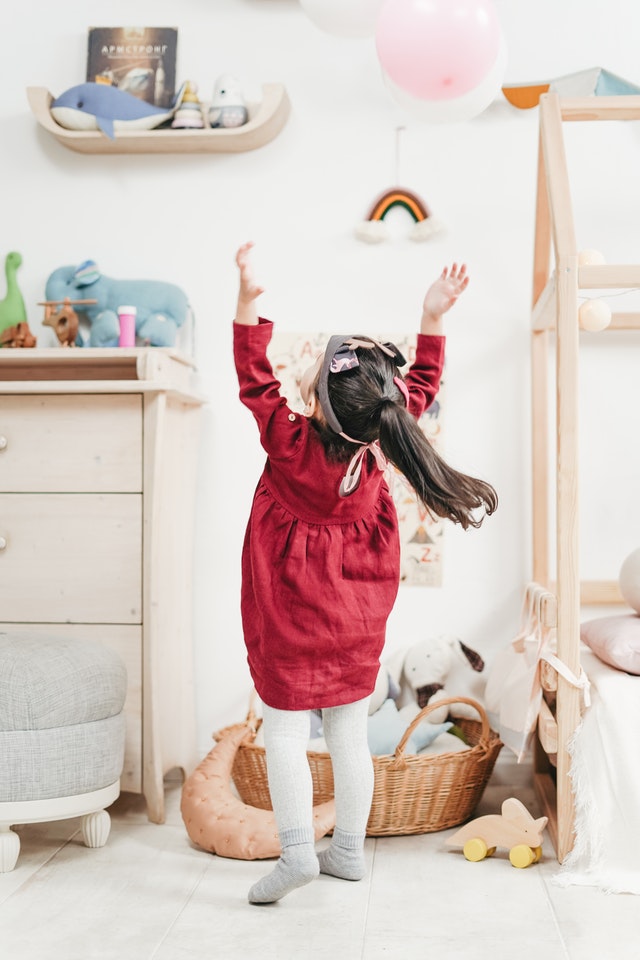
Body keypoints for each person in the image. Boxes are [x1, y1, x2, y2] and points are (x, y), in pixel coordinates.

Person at [233, 241, 497, 904]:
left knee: (289, 733)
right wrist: (432, 317)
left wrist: (247, 301)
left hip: (290, 619)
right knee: (349, 734)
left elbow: (251, 377)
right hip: (354, 622)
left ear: (319, 402)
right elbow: (422, 390)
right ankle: (348, 849)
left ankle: (299, 854)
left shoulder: (289, 443)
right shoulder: (381, 441)